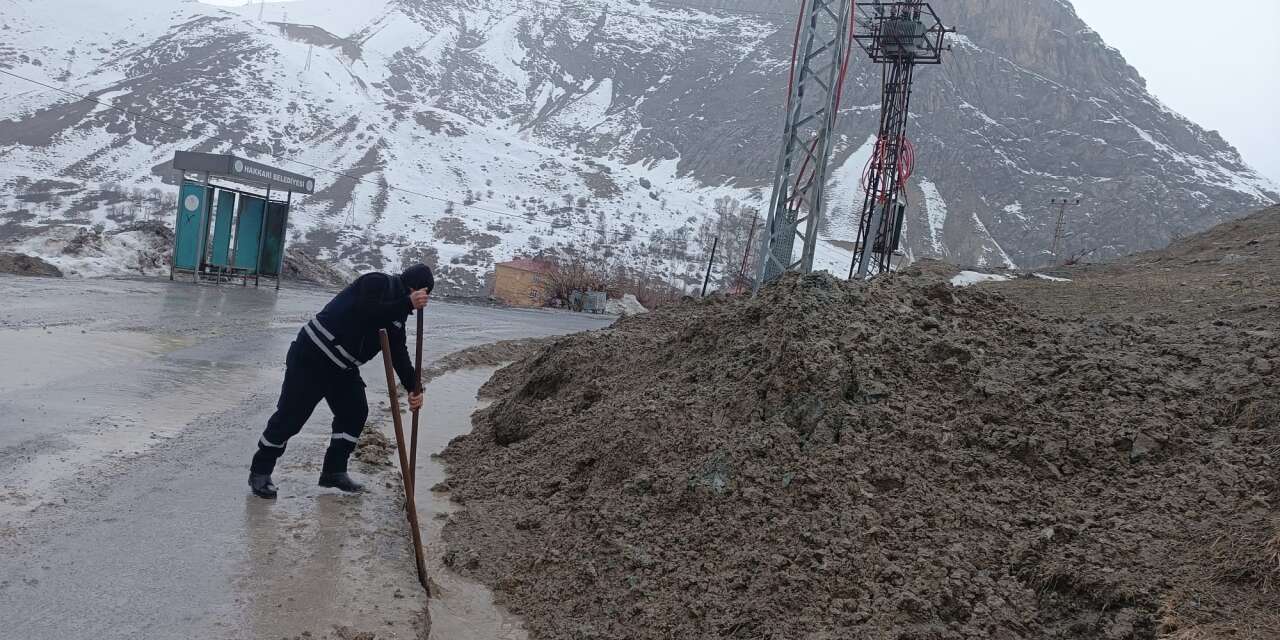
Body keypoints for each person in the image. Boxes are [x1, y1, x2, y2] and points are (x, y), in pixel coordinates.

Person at [248, 264, 434, 499]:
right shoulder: (376, 282)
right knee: (291, 417)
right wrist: (406, 303)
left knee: (355, 412)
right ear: (412, 289)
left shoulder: (397, 316)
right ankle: (260, 471)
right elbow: (367, 311)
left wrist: (414, 387)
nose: (415, 308)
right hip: (312, 356)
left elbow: (398, 352)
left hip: (342, 369)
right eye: (419, 297)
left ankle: (334, 471)